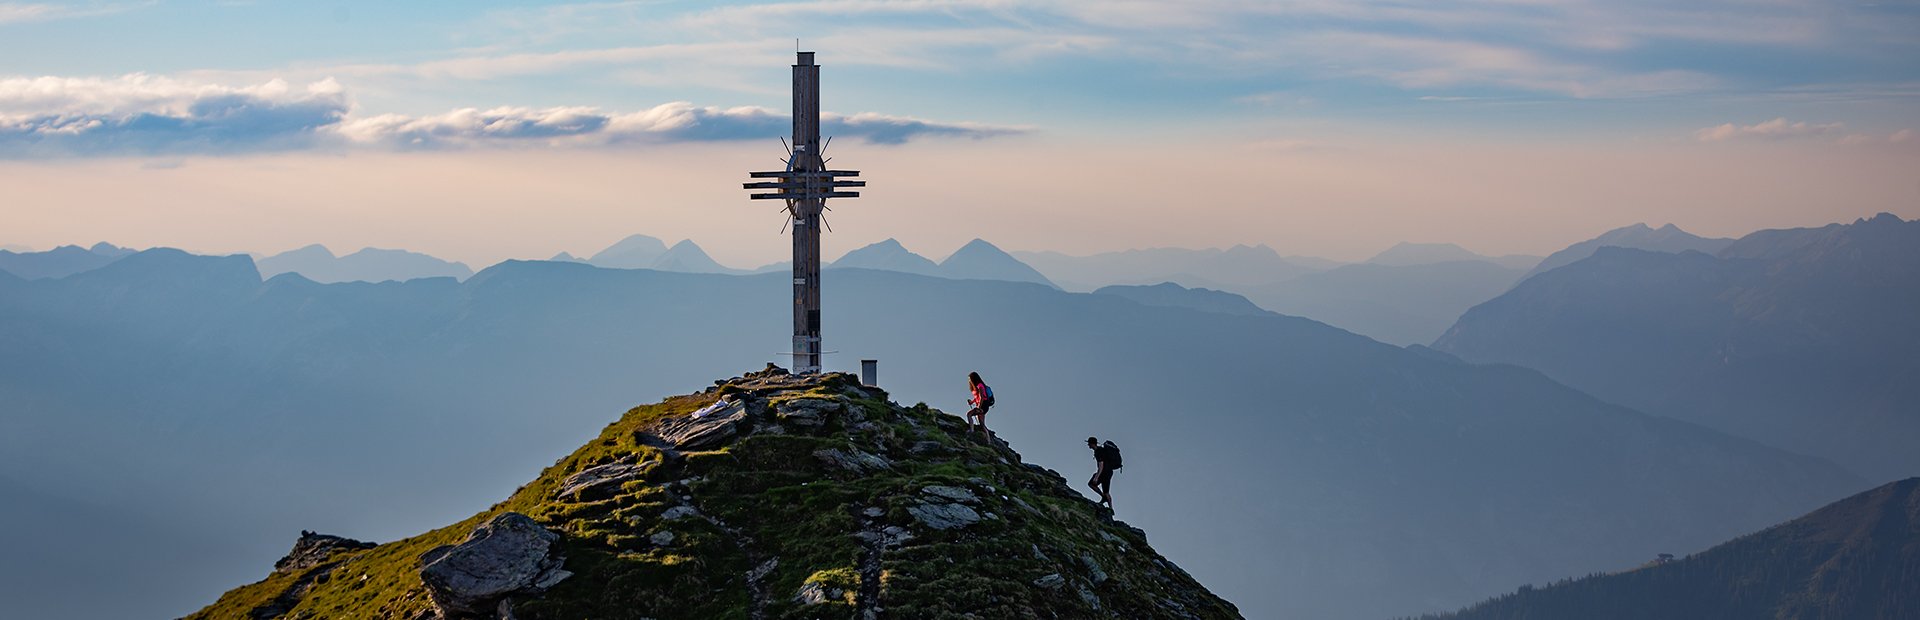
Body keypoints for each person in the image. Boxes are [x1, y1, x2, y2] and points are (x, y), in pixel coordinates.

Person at [1087, 436, 1120, 510]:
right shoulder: (1100, 450)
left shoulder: (1099, 451)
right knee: (1106, 491)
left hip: (1104, 472)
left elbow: (1101, 465)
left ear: (1092, 444)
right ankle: (1111, 508)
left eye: (1089, 443)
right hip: (1109, 472)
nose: (1088, 445)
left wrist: (1096, 476)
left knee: (1091, 484)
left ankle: (1104, 498)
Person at [965, 371, 994, 436]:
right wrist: (972, 402)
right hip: (984, 406)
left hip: (983, 406)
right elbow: (977, 398)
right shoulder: (977, 387)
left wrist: (979, 407)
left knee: (969, 414)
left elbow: (982, 397)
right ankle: (988, 441)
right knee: (982, 424)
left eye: (970, 379)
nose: (969, 380)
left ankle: (971, 430)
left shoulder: (980, 386)